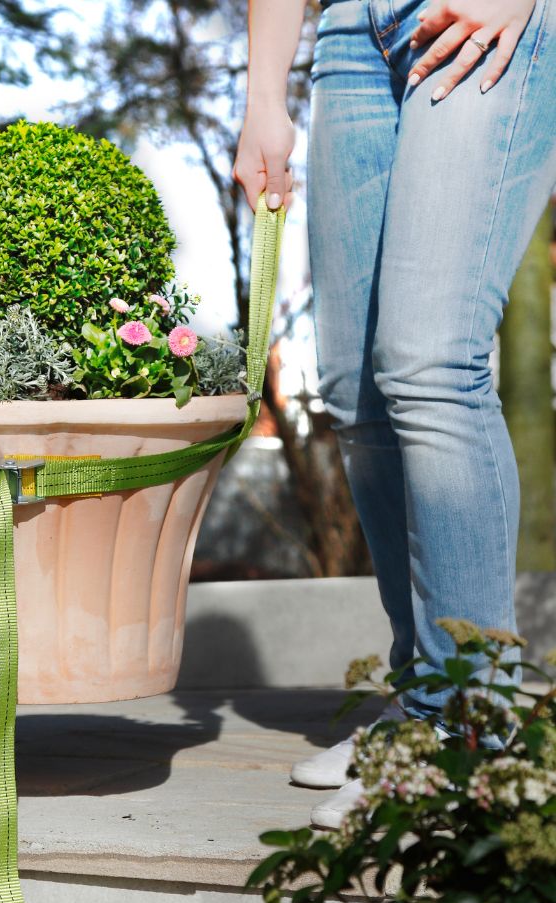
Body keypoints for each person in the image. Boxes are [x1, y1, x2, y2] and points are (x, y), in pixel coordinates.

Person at [235, 0, 555, 828]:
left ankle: (469, 728)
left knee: (430, 361)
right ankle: (421, 703)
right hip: (348, 32)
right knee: (355, 390)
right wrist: (263, 97)